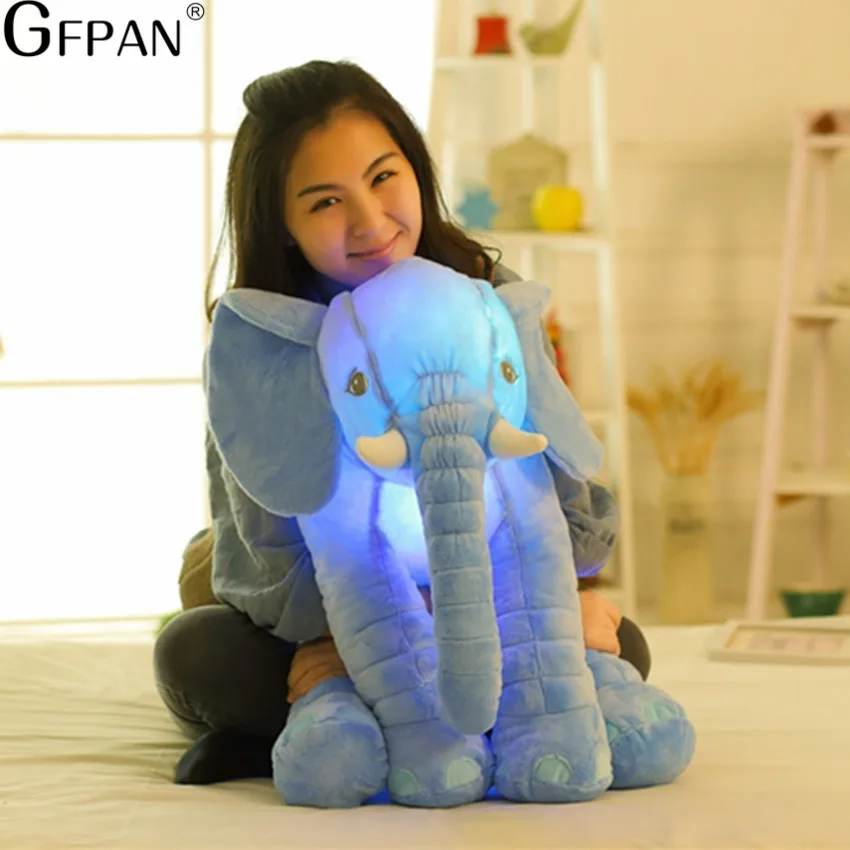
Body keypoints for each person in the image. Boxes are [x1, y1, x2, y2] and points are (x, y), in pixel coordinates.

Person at [154, 59, 651, 787]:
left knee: (622, 641)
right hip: (335, 606)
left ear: (415, 168)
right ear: (283, 225)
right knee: (197, 651)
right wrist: (351, 635)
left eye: (384, 177)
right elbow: (261, 551)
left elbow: (561, 490)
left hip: (488, 588)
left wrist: (548, 605)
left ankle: (344, 713)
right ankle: (343, 699)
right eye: (326, 202)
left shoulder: (487, 298)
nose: (371, 221)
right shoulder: (266, 341)